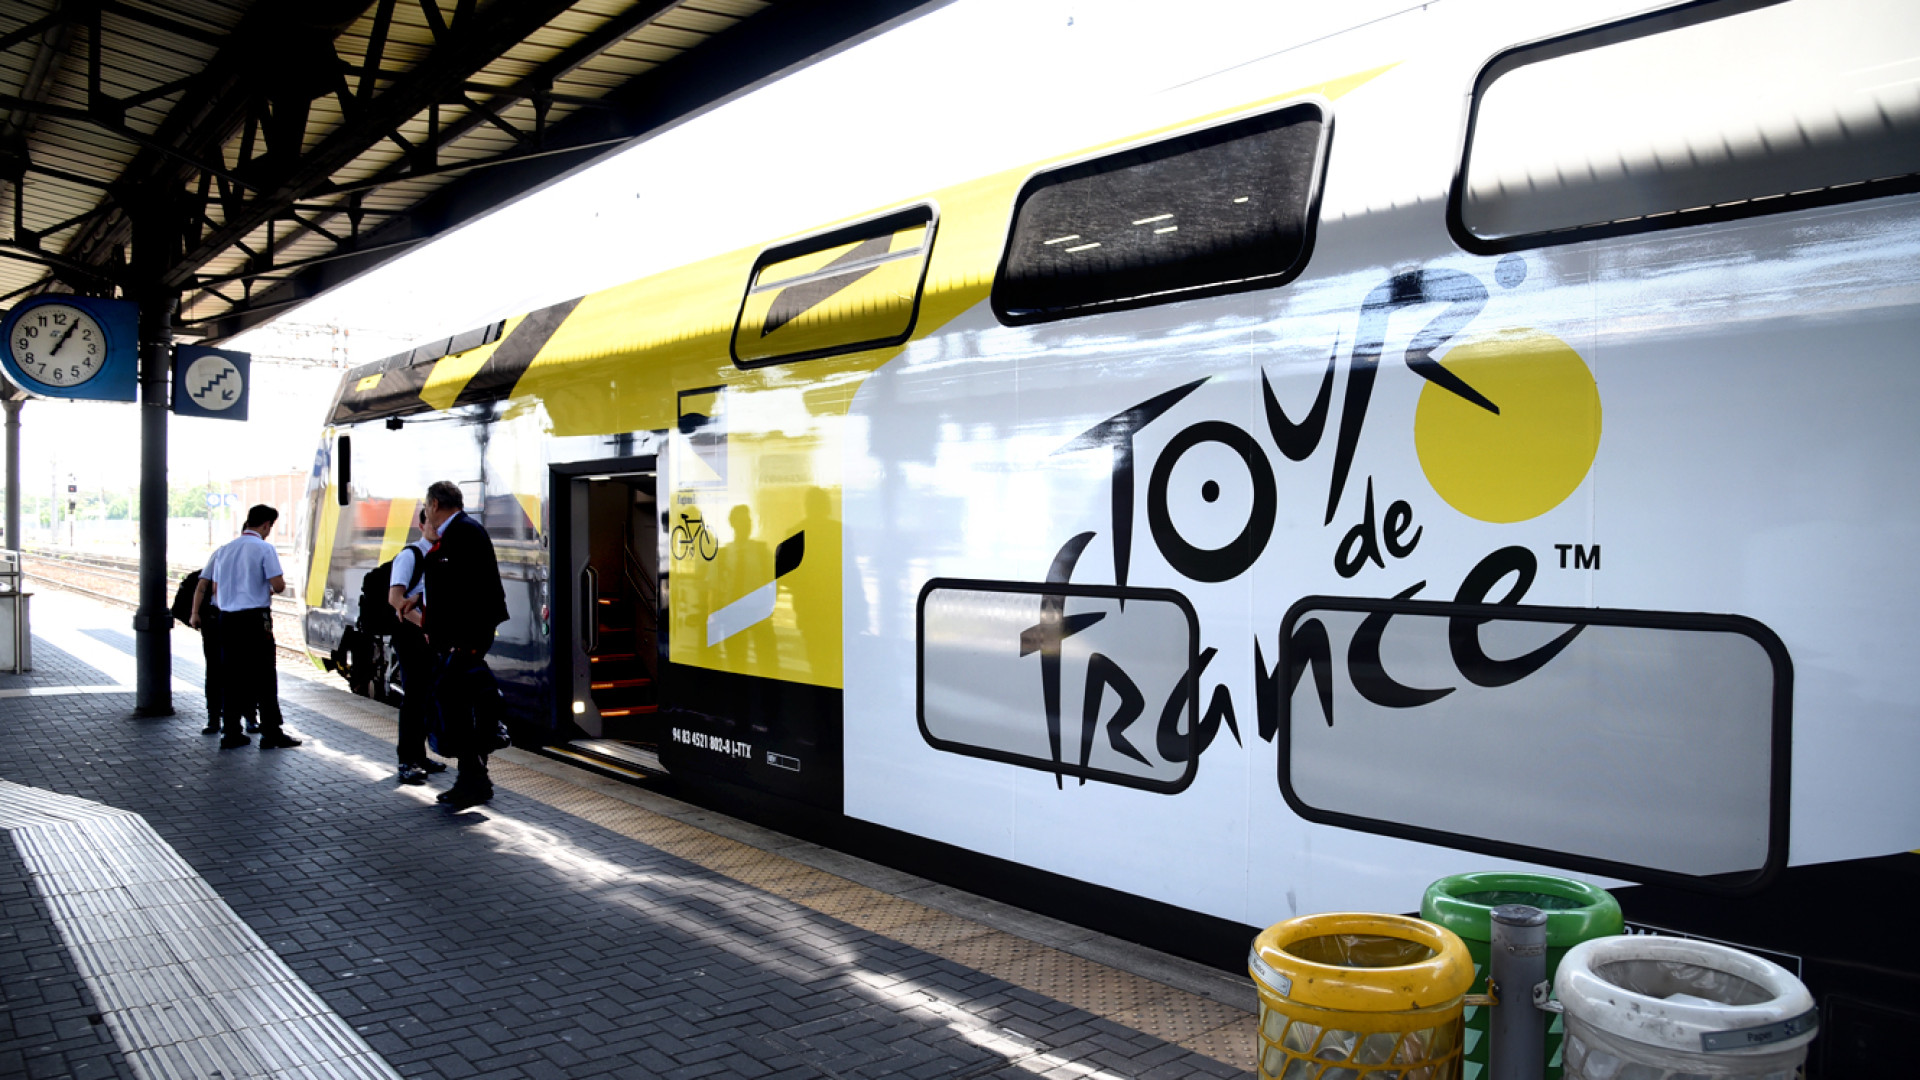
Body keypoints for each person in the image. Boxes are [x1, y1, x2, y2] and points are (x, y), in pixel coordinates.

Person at [420, 481, 508, 807]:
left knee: (453, 705)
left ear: (434, 504)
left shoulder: (463, 533)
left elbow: (465, 593)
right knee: (459, 706)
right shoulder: (460, 532)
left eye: (427, 505)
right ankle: (475, 778)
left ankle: (472, 780)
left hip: (465, 639)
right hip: (462, 638)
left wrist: (458, 641)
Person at [206, 504, 301, 750]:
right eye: (270, 526)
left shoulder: (224, 550)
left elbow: (215, 588)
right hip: (255, 620)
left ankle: (231, 732)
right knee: (264, 675)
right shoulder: (264, 548)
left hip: (227, 619)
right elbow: (278, 585)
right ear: (266, 524)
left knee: (231, 676)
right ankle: (271, 732)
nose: (270, 531)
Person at [387, 508, 445, 785]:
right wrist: (426, 627)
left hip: (430, 636)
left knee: (426, 697)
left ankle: (420, 756)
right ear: (420, 526)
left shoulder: (440, 557)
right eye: (431, 525)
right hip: (411, 637)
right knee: (413, 698)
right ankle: (407, 761)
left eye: (440, 525)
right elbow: (396, 600)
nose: (436, 529)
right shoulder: (410, 556)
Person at [189, 551, 257, 737]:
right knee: (232, 669)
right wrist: (195, 613)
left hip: (229, 617)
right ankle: (228, 718)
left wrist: (195, 613)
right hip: (222, 617)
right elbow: (203, 584)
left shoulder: (246, 552)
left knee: (225, 670)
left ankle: (236, 718)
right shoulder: (225, 553)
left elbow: (203, 585)